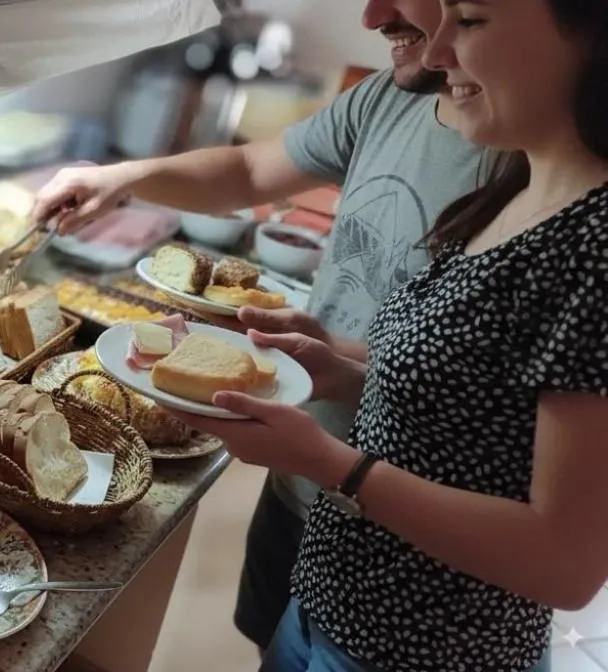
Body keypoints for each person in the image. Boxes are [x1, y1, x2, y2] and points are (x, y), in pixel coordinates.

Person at [30, 0, 487, 651]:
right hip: (303, 485)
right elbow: (248, 170)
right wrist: (124, 177)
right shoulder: (392, 95)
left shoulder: (534, 170)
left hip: (411, 551)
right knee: (270, 641)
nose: (371, 17)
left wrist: (338, 450)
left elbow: (522, 456)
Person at [169, 0, 608, 669]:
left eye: (472, 20)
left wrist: (330, 462)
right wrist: (338, 367)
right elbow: (479, 406)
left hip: (421, 652)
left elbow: (565, 564)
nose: (435, 54)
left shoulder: (595, 248)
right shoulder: (517, 184)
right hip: (326, 607)